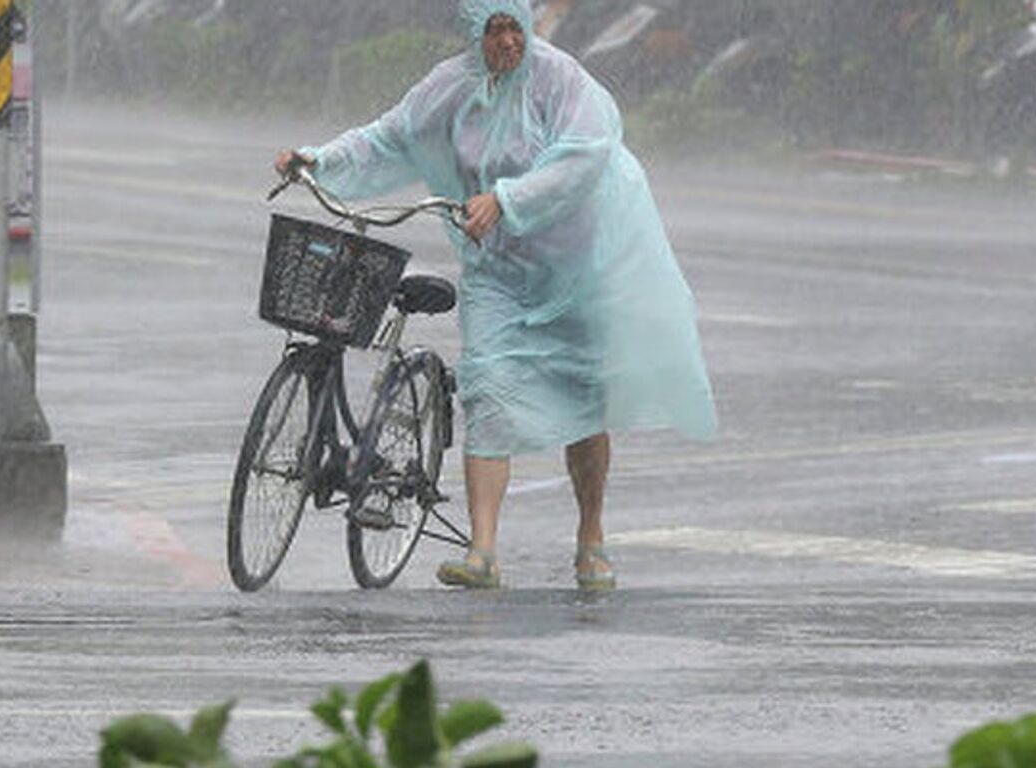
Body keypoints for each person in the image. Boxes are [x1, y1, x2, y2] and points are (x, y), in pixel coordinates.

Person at [274, 0, 716, 591]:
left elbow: (584, 154)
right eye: (493, 30)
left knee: (584, 402)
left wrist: (508, 199)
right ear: (472, 33)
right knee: (486, 388)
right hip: (496, 269)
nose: (507, 40)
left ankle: (591, 537)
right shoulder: (449, 87)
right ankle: (482, 550)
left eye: (515, 27)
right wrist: (320, 158)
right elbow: (390, 136)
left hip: (577, 267)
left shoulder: (561, 79)